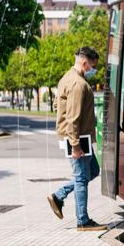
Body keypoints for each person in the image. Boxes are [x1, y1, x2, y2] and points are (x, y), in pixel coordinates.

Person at [47, 46, 106, 232]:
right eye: (92, 66)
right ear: (84, 62)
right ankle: (83, 221)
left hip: (80, 137)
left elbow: (57, 104)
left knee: (93, 171)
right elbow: (73, 117)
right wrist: (75, 145)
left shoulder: (67, 77)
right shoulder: (78, 84)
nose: (93, 70)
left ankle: (59, 195)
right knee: (81, 178)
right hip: (78, 138)